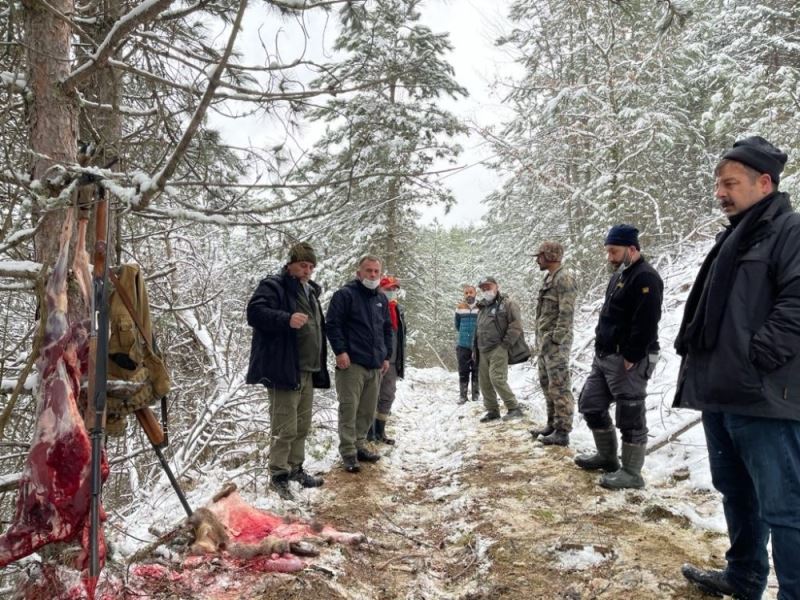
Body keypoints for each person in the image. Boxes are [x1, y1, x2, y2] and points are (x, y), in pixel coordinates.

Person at [674, 137, 800, 600]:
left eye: (730, 183)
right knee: (736, 493)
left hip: (764, 397)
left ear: (764, 183)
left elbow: (797, 305)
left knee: (785, 507)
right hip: (721, 393)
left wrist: (755, 361)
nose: (720, 193)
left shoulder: (790, 231)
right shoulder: (735, 236)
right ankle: (745, 577)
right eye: (718, 184)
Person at [574, 225, 663, 489]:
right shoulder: (619, 275)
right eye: (608, 251)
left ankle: (632, 473)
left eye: (614, 251)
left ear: (632, 249)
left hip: (629, 359)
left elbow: (648, 321)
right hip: (604, 356)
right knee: (590, 403)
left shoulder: (647, 278)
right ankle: (607, 457)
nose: (609, 257)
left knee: (631, 414)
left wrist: (633, 354)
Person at [246, 242, 329, 500]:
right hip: (283, 369)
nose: (307, 270)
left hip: (306, 369)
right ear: (291, 264)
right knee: (285, 427)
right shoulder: (274, 286)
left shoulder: (310, 292)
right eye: (303, 265)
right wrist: (286, 318)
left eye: (311, 266)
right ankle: (279, 475)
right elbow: (254, 312)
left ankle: (295, 469)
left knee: (302, 425)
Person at [326, 255, 393, 473]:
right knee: (349, 408)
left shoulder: (381, 299)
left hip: (374, 364)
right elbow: (333, 325)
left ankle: (360, 443)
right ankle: (348, 451)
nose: (372, 275)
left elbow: (386, 329)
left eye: (376, 271)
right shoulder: (345, 295)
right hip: (351, 363)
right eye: (368, 270)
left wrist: (386, 356)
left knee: (366, 409)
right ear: (359, 273)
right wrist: (340, 351)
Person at [530, 241, 577, 447]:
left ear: (549, 255)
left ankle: (562, 430)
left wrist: (556, 338)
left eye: (539, 255)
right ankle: (551, 424)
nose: (537, 260)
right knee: (546, 383)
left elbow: (566, 313)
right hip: (545, 343)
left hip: (556, 344)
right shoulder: (550, 277)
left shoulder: (564, 278)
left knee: (559, 386)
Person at [473, 276, 525, 422]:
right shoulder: (482, 307)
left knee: (497, 378)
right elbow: (479, 328)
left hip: (498, 347)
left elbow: (516, 325)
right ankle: (492, 410)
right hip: (482, 349)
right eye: (483, 288)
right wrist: (474, 349)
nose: (486, 290)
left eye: (488, 287)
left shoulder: (508, 304)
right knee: (484, 382)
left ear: (497, 286)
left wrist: (505, 345)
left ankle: (514, 408)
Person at [371, 275, 406, 445]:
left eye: (394, 289)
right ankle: (369, 433)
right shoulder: (373, 306)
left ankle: (380, 431)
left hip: (392, 361)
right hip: (376, 360)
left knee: (387, 395)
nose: (391, 292)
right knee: (371, 396)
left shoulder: (397, 309)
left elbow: (399, 337)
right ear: (380, 289)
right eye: (388, 289)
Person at [454, 285, 480, 404]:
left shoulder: (481, 307)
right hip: (463, 344)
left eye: (471, 292)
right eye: (466, 293)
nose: (468, 295)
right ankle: (463, 396)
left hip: (477, 345)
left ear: (475, 293)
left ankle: (476, 396)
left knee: (476, 370)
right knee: (463, 370)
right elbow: (457, 325)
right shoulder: (460, 308)